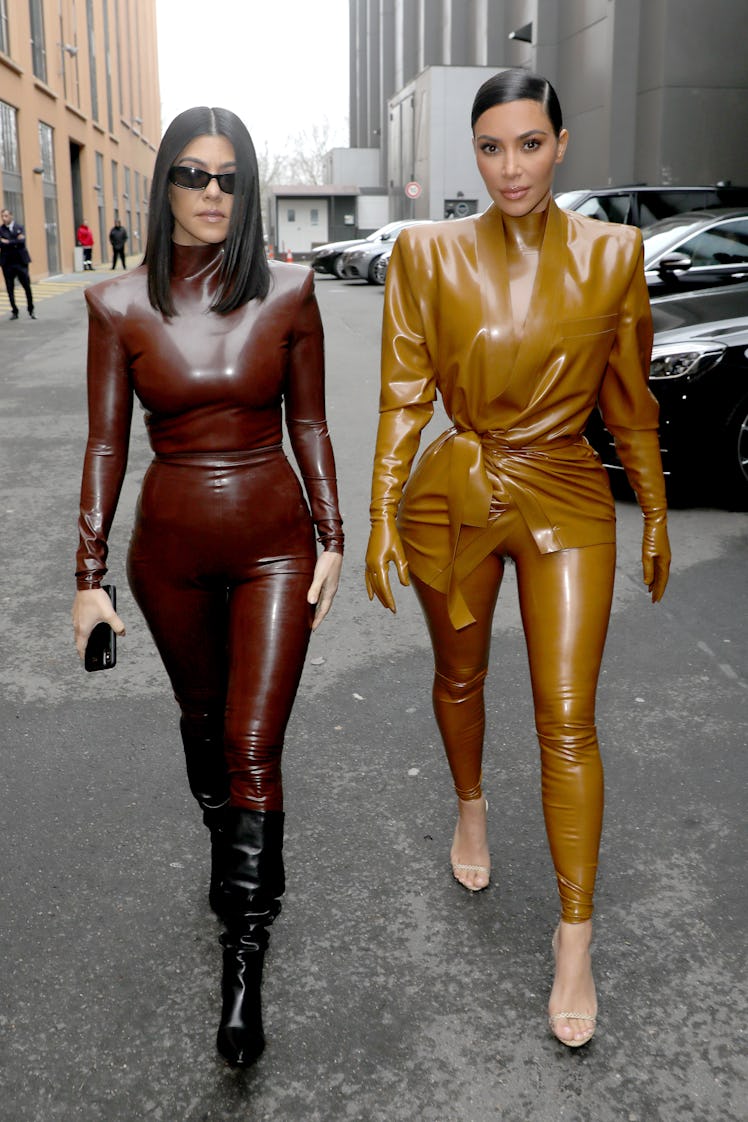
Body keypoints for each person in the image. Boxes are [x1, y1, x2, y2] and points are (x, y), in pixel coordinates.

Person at [365, 70, 670, 1049]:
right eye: (491, 147)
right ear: (474, 151)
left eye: (528, 144)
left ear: (561, 143)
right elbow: (404, 395)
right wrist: (378, 513)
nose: (509, 167)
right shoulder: (425, 255)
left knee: (567, 715)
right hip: (454, 493)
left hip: (569, 493)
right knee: (459, 674)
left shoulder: (614, 256)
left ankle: (572, 936)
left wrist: (655, 508)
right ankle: (469, 806)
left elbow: (628, 397)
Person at [72, 106, 344, 1068]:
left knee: (253, 744)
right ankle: (226, 841)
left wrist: (334, 536)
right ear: (165, 187)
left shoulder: (293, 291)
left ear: (250, 188)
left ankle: (244, 959)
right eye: (194, 176)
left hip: (277, 548)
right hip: (169, 556)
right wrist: (88, 577)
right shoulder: (117, 306)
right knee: (202, 725)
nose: (213, 195)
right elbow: (107, 443)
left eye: (230, 178)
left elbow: (309, 424)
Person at [0, 208, 35, 319]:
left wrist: (8, 241)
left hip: (20, 262)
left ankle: (31, 309)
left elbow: (22, 242)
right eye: (2, 216)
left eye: (6, 216)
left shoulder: (19, 227)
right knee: (10, 288)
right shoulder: (1, 230)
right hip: (7, 263)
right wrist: (14, 241)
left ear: (11, 216)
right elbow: (1, 244)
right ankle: (14, 311)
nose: (4, 219)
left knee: (27, 286)